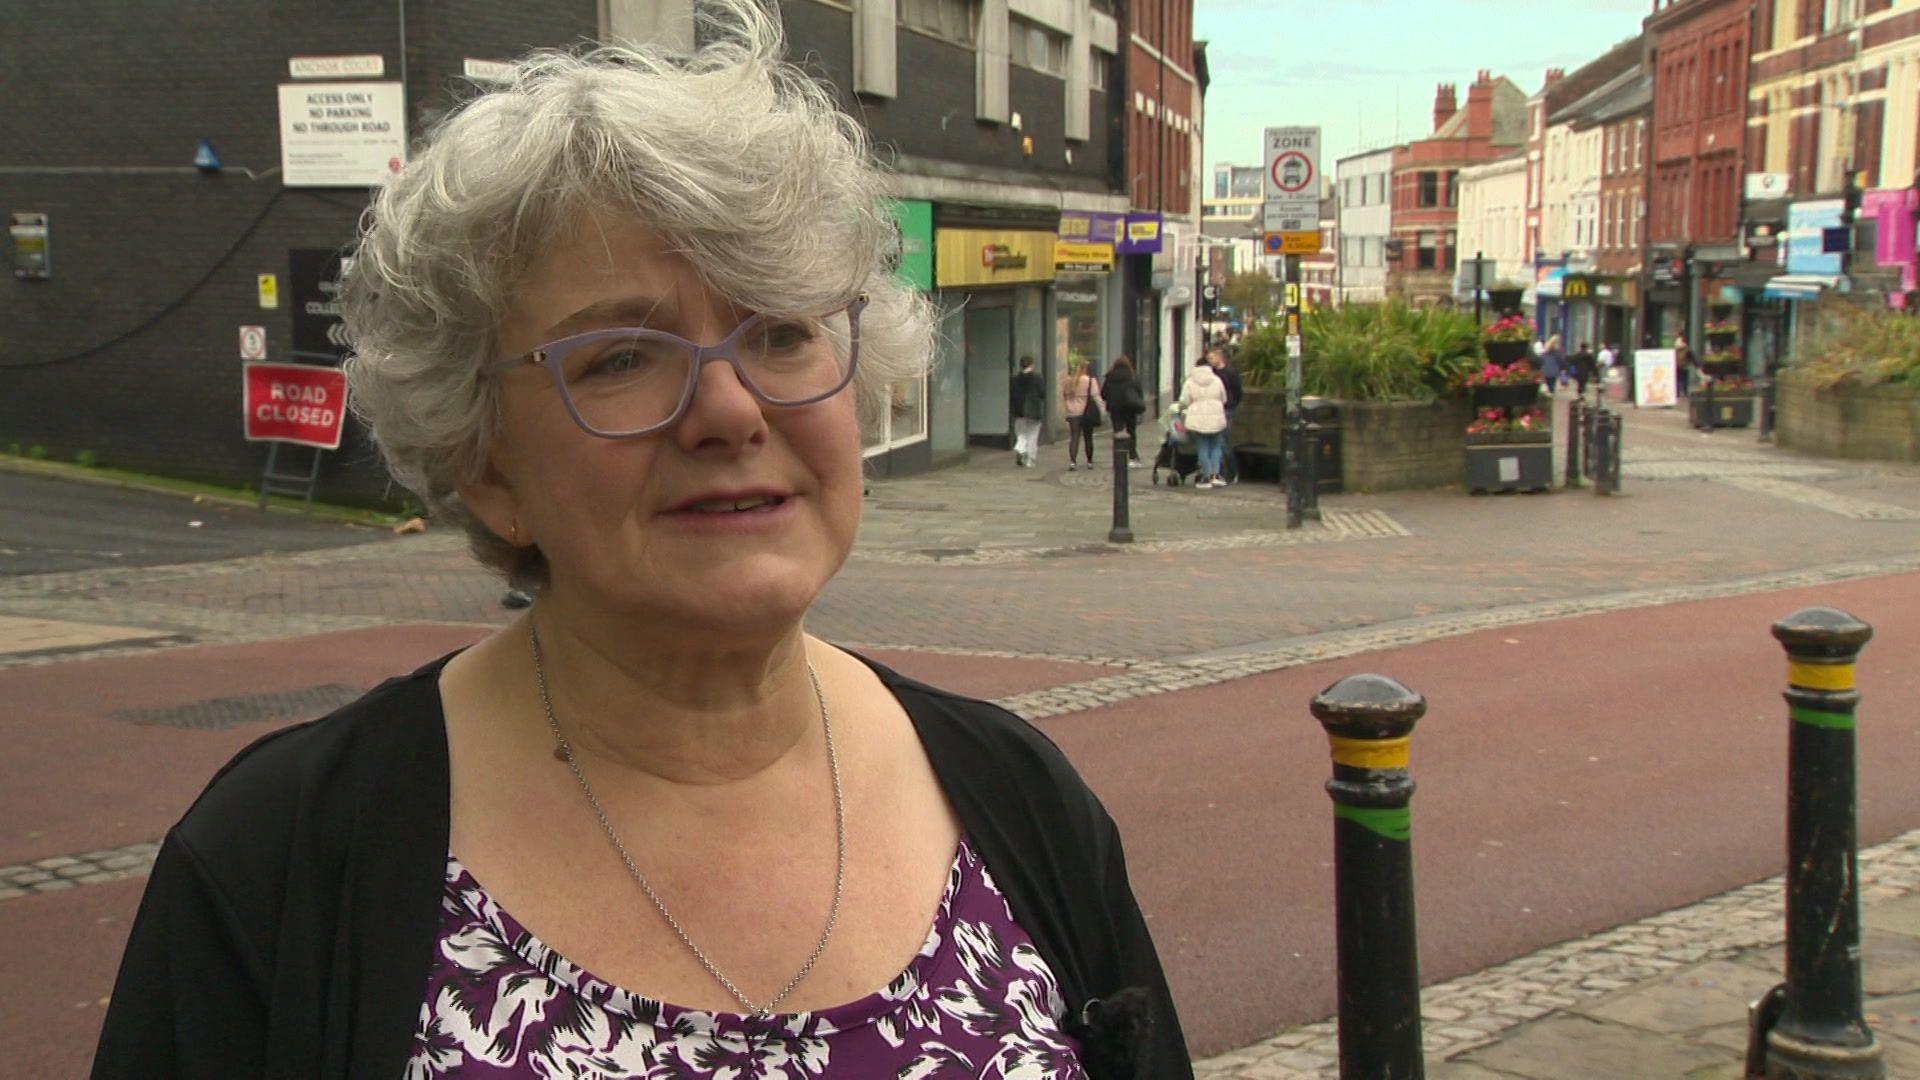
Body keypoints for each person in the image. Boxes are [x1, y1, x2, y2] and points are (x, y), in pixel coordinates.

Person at [91, 7, 1190, 1077]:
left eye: (782, 330)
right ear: (486, 462)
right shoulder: (282, 864)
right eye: (621, 356)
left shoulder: (1020, 800)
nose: (730, 408)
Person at [1177, 360, 1229, 488]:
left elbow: (1184, 400)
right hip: (1216, 417)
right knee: (1216, 446)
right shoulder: (1216, 380)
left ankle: (1205, 477)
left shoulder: (1190, 382)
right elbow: (1224, 398)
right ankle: (1215, 475)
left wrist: (1183, 407)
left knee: (1202, 447)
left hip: (1197, 418)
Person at [1100, 354, 1146, 466]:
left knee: (1118, 432)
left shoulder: (1109, 377)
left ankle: (1118, 456)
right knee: (1131, 432)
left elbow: (1103, 394)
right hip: (1130, 408)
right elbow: (1139, 392)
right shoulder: (1132, 376)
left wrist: (1112, 399)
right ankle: (1133, 456)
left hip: (1115, 409)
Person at [1207, 348, 1243, 484]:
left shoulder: (1230, 373)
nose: (1209, 361)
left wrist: (1232, 404)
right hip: (1213, 410)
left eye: (1211, 358)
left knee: (1225, 442)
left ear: (1219, 358)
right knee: (1216, 442)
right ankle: (1219, 472)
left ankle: (1231, 472)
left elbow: (1238, 391)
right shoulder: (1211, 374)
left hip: (1226, 410)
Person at [1059, 356, 1100, 471]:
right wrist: (1102, 409)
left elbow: (1064, 396)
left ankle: (1072, 462)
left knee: (1074, 437)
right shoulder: (1090, 381)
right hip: (1086, 412)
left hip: (1072, 413)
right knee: (1088, 438)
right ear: (1085, 368)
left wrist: (1067, 407)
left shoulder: (1067, 381)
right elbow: (1096, 396)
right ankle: (1090, 462)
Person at [1009, 355, 1045, 468]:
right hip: (1034, 411)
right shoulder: (1037, 378)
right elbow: (1042, 393)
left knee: (1021, 433)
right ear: (1032, 364)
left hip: (1019, 411)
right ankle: (1030, 460)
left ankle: (1021, 449)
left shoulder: (1015, 379)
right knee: (1033, 435)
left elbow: (1012, 395)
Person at [1675, 334, 1694, 398]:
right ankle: (1685, 392)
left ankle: (1677, 393)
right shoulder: (1687, 349)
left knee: (1677, 380)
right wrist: (1697, 364)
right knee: (1685, 380)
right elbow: (1691, 357)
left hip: (1677, 366)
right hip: (1685, 366)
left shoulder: (1676, 349)